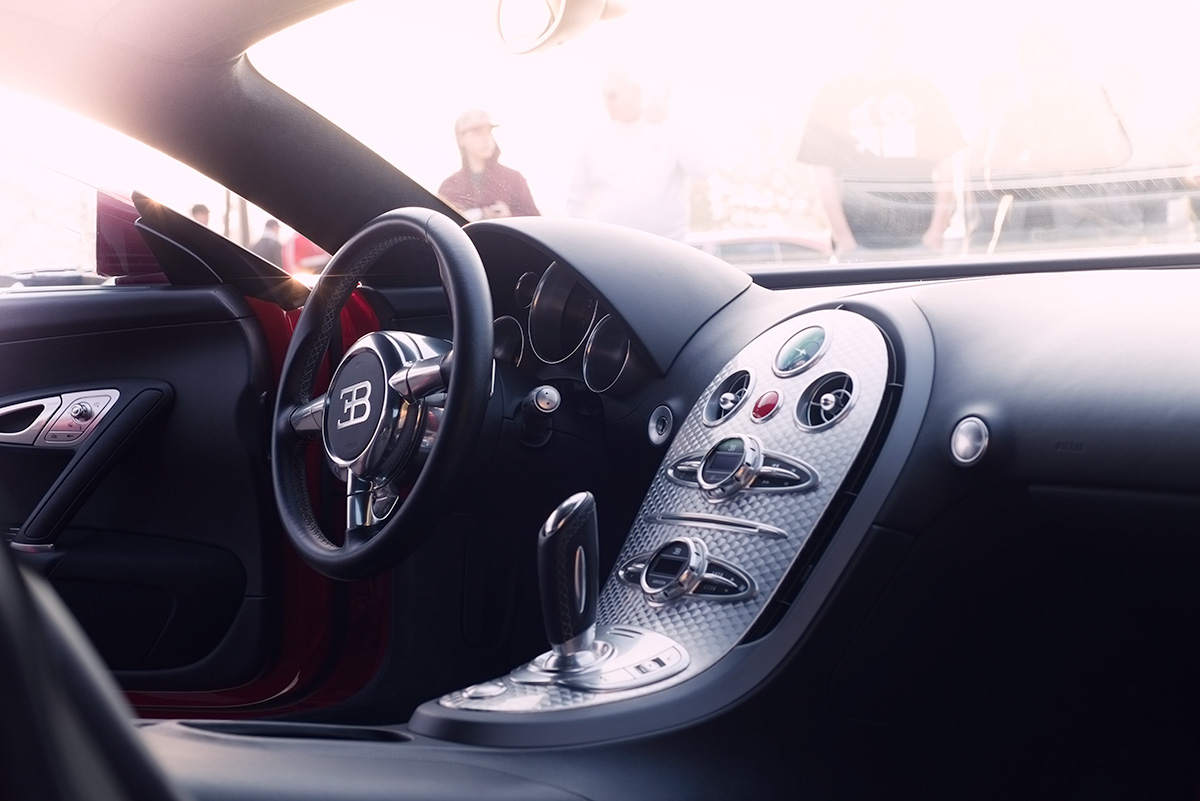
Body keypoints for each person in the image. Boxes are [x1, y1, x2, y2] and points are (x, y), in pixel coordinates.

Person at [797, 44, 964, 259]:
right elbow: (822, 173)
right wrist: (846, 241)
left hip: (919, 245)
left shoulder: (924, 91)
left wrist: (935, 235)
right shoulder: (833, 95)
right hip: (859, 245)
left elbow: (946, 167)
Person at [567, 70, 711, 242]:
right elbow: (576, 199)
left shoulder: (669, 129)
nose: (607, 102)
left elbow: (702, 170)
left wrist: (666, 122)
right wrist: (590, 241)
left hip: (670, 249)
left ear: (636, 92)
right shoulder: (594, 140)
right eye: (605, 96)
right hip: (612, 249)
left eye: (612, 95)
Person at [438, 109, 539, 221]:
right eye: (478, 132)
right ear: (461, 138)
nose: (485, 138)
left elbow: (536, 222)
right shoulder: (449, 187)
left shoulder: (514, 179)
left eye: (488, 131)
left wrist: (509, 217)